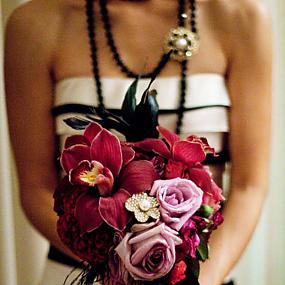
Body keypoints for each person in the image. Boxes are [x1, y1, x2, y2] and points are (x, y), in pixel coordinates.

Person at [4, 0, 272, 284]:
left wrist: (197, 280)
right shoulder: (33, 24)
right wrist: (122, 271)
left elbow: (248, 186)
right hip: (81, 273)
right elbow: (36, 188)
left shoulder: (241, 17)